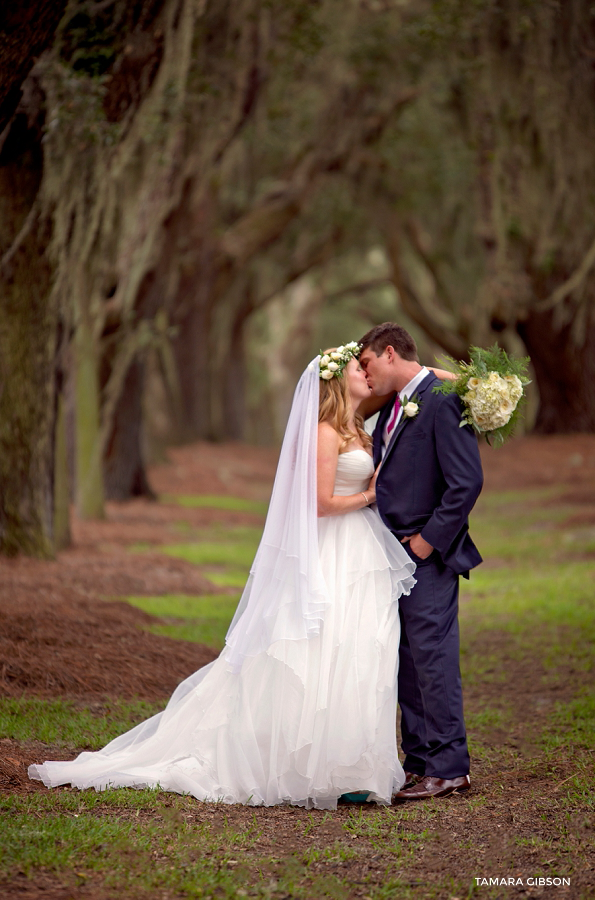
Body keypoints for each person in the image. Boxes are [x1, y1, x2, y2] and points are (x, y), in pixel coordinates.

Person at [29, 345, 418, 809]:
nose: (368, 372)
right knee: (326, 647)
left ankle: (351, 764)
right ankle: (311, 766)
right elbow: (320, 504)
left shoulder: (362, 427)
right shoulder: (324, 431)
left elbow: (416, 378)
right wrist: (370, 497)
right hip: (333, 547)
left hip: (361, 552)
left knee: (361, 649)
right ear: (337, 379)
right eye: (359, 367)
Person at [358, 322, 484, 802]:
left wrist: (426, 544)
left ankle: (450, 767)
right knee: (407, 661)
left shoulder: (442, 401)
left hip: (425, 557)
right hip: (393, 558)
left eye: (368, 363)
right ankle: (420, 763)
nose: (364, 374)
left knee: (432, 660)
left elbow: (465, 484)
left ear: (389, 354)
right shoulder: (393, 405)